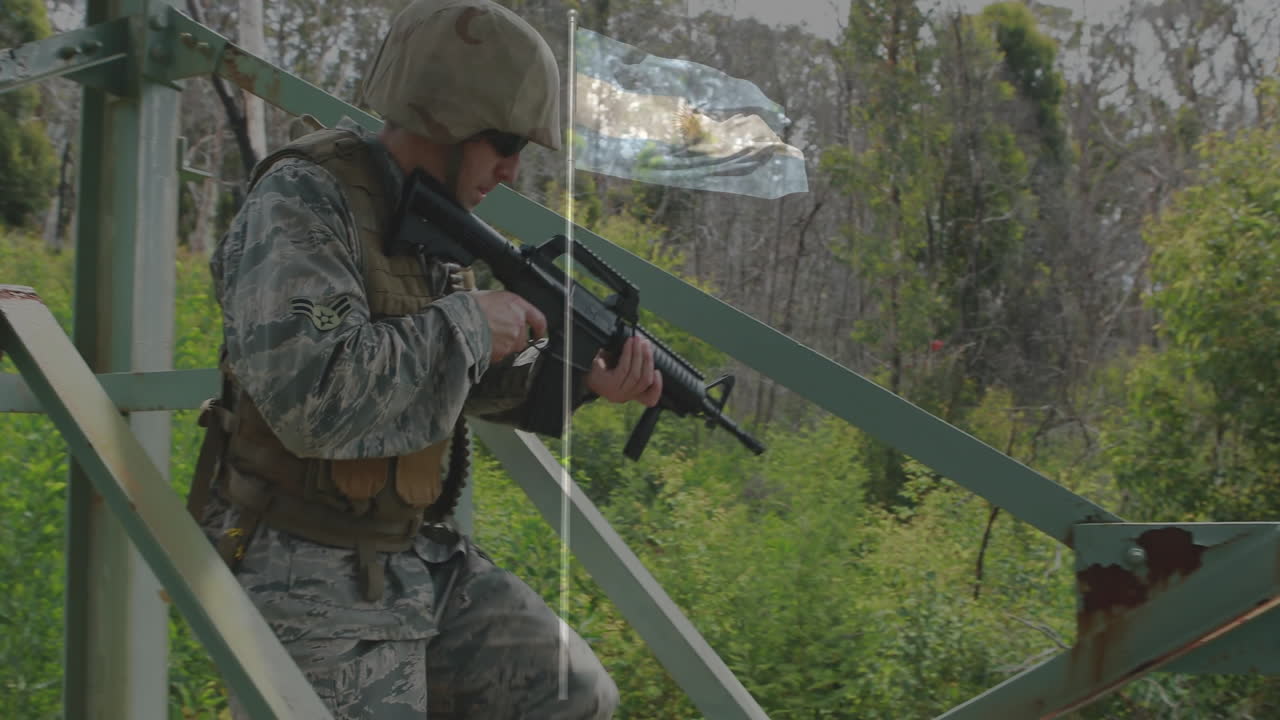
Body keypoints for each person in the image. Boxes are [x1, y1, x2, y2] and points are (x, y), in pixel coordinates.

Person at [190, 0, 662, 716]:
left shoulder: (424, 219)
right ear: (444, 120)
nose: (509, 170)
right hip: (300, 559)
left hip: (408, 555)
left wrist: (580, 374)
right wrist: (471, 324)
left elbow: (452, 382)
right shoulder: (304, 199)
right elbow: (314, 399)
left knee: (572, 694)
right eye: (503, 142)